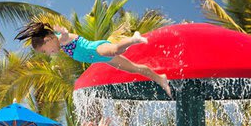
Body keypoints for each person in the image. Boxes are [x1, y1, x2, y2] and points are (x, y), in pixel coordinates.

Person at [15, 21, 171, 98]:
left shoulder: (61, 39)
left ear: (49, 39)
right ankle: (160, 78)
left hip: (95, 49)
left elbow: (64, 35)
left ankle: (134, 39)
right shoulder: (58, 44)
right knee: (133, 68)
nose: (48, 53)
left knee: (114, 49)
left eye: (45, 50)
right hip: (100, 58)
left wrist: (62, 31)